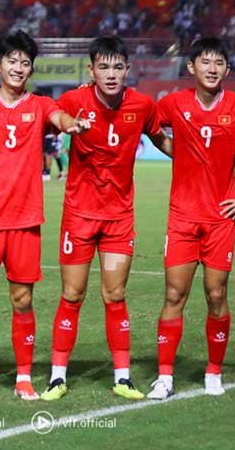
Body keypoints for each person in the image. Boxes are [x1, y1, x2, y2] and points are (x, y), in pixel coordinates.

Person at [0, 30, 89, 401]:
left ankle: (24, 377)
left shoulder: (39, 105)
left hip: (25, 221)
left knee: (23, 301)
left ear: (31, 69)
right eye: (11, 61)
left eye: (25, 63)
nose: (18, 68)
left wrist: (71, 125)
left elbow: (58, 116)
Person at [146, 37, 235, 400]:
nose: (212, 68)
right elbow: (148, 124)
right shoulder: (174, 103)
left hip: (220, 219)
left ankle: (213, 372)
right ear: (191, 67)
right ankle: (164, 377)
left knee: (215, 294)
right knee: (174, 293)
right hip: (182, 218)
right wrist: (175, 151)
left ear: (227, 69)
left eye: (218, 63)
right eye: (205, 62)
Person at [39, 36, 172, 402]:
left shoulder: (142, 105)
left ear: (127, 70)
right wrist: (67, 124)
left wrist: (195, 157)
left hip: (118, 219)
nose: (111, 74)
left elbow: (160, 139)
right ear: (91, 70)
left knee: (115, 295)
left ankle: (123, 377)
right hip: (79, 217)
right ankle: (57, 377)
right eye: (103, 67)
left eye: (117, 67)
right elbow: (49, 117)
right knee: (72, 294)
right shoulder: (74, 101)